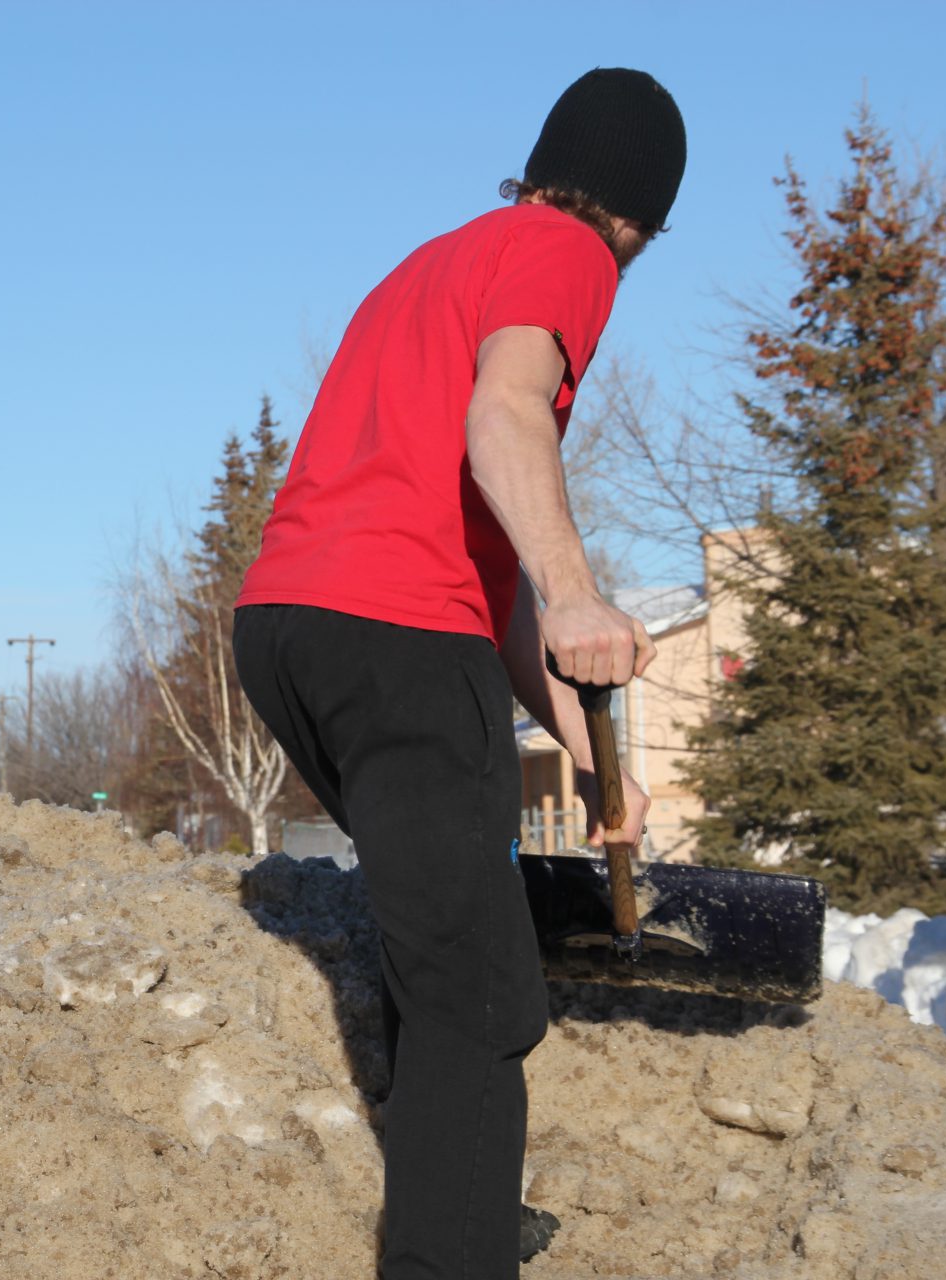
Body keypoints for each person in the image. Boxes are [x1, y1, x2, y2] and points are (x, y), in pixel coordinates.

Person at [233, 68, 685, 1278]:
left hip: (292, 629)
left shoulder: (440, 263)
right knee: (484, 996)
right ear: (637, 214)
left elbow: (495, 590)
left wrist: (595, 768)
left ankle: (447, 1192)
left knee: (438, 937)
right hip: (397, 638)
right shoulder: (565, 249)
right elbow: (508, 418)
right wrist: (583, 586)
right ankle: (453, 1249)